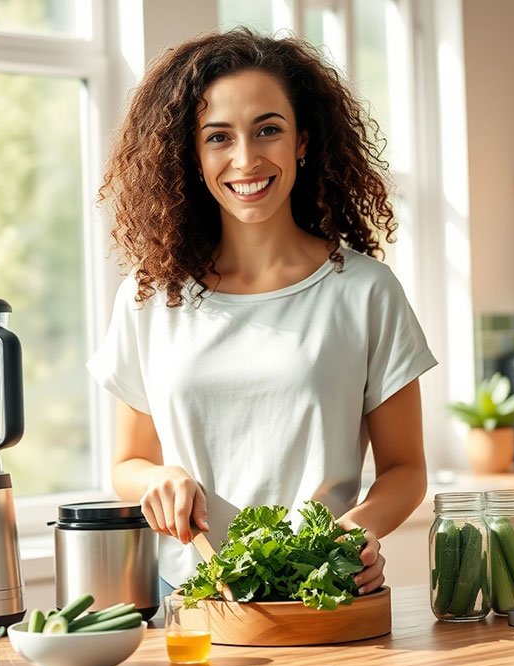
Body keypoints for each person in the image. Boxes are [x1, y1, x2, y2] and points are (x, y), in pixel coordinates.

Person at [88, 28, 437, 597]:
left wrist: (353, 535)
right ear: (192, 155)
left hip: (324, 599)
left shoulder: (366, 292)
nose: (246, 159)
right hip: (193, 604)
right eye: (218, 137)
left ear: (302, 140)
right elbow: (128, 462)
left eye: (268, 130)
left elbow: (406, 471)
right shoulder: (150, 295)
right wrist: (159, 478)